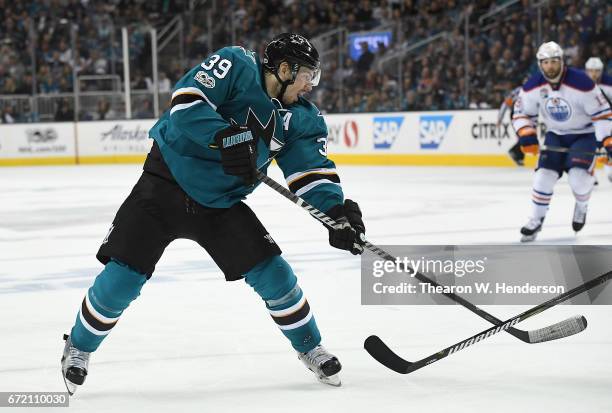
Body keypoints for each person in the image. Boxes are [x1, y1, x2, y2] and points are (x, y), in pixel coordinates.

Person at [60, 33, 366, 394]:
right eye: (306, 76)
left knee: (275, 275)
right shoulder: (234, 64)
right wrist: (224, 136)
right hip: (164, 186)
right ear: (285, 69)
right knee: (123, 278)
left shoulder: (303, 119)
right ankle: (78, 347)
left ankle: (311, 347)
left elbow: (310, 172)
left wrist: (336, 214)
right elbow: (187, 103)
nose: (309, 86)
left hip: (220, 203)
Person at [513, 42, 612, 242]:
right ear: (540, 64)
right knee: (543, 177)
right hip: (555, 135)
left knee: (578, 179)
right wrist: (526, 134)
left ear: (562, 62)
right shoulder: (532, 85)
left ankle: (581, 207)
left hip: (584, 135)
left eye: (554, 62)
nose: (550, 67)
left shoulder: (582, 83)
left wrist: (607, 141)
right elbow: (522, 112)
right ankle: (535, 220)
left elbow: (602, 114)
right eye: (546, 62)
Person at [584, 57, 612, 182]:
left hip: (606, 119)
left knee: (607, 144)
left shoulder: (609, 83)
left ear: (601, 71)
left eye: (597, 71)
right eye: (591, 70)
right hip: (587, 119)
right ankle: (590, 173)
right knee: (590, 146)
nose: (594, 74)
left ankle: (609, 169)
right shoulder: (581, 83)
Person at [497, 85, 524, 166]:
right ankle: (514, 151)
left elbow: (504, 105)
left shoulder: (514, 92)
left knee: (522, 136)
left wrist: (500, 119)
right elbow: (505, 104)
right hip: (520, 113)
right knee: (525, 135)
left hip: (515, 113)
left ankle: (518, 156)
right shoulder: (527, 90)